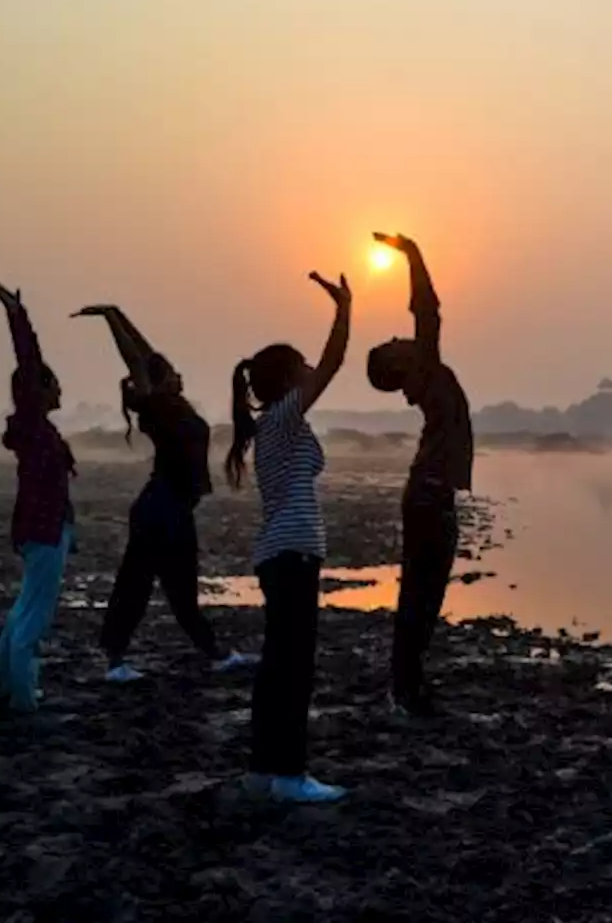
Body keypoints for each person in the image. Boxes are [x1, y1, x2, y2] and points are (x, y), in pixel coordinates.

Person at [72, 305, 255, 682]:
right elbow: (138, 361)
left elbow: (147, 354)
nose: (178, 374)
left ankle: (212, 654)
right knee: (139, 586)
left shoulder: (172, 402)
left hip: (169, 508)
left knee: (178, 590)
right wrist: (111, 323)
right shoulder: (157, 406)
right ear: (158, 383)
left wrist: (118, 312)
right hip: (162, 509)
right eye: (172, 372)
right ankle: (118, 662)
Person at [225, 270, 352, 804]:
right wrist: (344, 310)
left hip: (283, 553)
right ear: (287, 380)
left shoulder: (274, 425)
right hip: (291, 554)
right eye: (301, 366)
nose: (310, 372)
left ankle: (263, 772)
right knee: (293, 668)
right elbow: (335, 362)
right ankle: (290, 775)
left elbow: (323, 367)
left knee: (279, 665)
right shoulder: (281, 417)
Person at [366, 234, 473, 718]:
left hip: (429, 495)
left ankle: (406, 685)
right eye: (393, 343)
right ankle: (405, 690)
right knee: (421, 597)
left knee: (421, 596)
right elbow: (427, 309)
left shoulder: (424, 375)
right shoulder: (425, 370)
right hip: (430, 498)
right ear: (397, 363)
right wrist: (411, 254)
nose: (400, 337)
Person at [0, 281, 76, 714]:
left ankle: (8, 687)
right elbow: (28, 362)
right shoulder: (32, 425)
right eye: (53, 385)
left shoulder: (39, 429)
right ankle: (22, 698)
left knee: (25, 607)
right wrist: (18, 318)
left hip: (42, 527)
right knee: (33, 615)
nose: (61, 392)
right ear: (38, 391)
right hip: (41, 529)